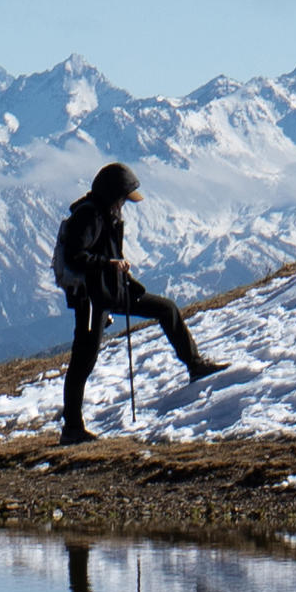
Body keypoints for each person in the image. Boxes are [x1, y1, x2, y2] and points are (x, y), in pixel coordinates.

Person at [53, 163, 225, 444]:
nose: (124, 204)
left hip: (110, 291)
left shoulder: (102, 213)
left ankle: (195, 364)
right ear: (112, 195)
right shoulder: (90, 217)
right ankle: (72, 428)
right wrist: (109, 264)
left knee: (166, 308)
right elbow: (75, 257)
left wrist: (121, 274)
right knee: (83, 361)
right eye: (123, 198)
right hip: (92, 298)